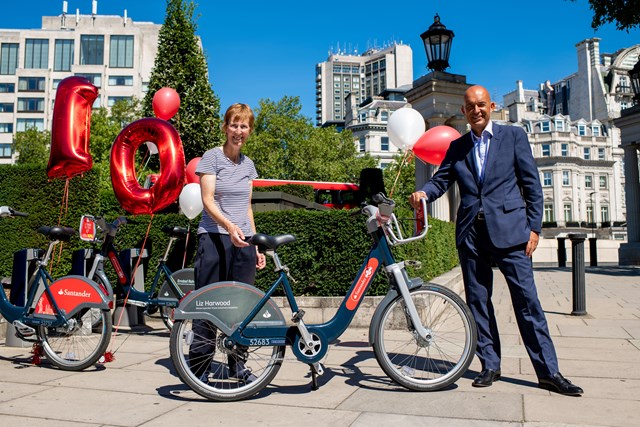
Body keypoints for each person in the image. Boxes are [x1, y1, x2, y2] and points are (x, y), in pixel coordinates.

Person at [409, 85, 583, 396]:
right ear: (463, 112)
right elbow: (441, 180)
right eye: (470, 106)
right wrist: (424, 193)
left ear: (490, 107)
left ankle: (548, 371)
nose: (476, 111)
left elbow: (532, 186)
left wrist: (534, 229)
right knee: (478, 303)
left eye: (481, 105)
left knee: (528, 304)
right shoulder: (458, 146)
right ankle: (489, 363)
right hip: (471, 235)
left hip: (512, 234)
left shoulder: (513, 137)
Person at [188, 103, 266, 384]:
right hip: (214, 238)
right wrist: (229, 227)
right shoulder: (212, 158)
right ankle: (198, 367)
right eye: (234, 125)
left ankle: (238, 365)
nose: (238, 131)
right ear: (226, 127)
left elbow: (247, 207)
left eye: (244, 126)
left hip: (242, 242)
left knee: (242, 307)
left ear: (249, 131)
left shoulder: (248, 165)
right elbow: (207, 201)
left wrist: (255, 243)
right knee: (209, 303)